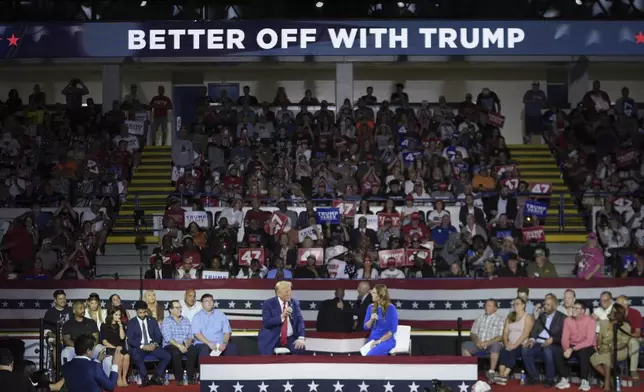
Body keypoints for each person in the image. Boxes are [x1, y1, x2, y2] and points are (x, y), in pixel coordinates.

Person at [521, 294, 566, 387]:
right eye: (545, 304)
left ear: (554, 306)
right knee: (525, 350)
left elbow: (564, 335)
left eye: (548, 305)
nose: (545, 306)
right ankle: (534, 376)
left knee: (547, 351)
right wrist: (532, 339)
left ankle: (550, 379)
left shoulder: (562, 317)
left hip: (552, 343)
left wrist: (553, 339)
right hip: (538, 342)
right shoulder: (542, 316)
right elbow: (535, 330)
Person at [126, 300, 170, 386]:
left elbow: (158, 335)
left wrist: (154, 344)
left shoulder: (152, 320)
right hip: (139, 347)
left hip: (152, 346)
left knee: (167, 356)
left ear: (146, 310)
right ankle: (145, 378)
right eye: (140, 313)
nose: (142, 314)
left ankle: (156, 377)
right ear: (136, 311)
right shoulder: (131, 322)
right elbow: (130, 340)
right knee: (136, 355)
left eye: (144, 312)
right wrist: (143, 346)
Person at [590, 303, 632, 392]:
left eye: (613, 311)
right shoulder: (604, 322)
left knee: (606, 358)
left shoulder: (625, 325)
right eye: (611, 311)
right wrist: (599, 347)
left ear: (618, 313)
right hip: (604, 349)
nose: (611, 313)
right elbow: (600, 337)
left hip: (619, 351)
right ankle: (611, 380)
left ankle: (606, 386)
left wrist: (612, 348)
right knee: (593, 358)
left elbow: (624, 342)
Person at [257, 281, 306, 355]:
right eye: (286, 291)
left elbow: (300, 321)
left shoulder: (294, 303)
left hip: (290, 337)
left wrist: (301, 337)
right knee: (267, 356)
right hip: (272, 337)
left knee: (300, 348)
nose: (289, 293)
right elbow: (266, 323)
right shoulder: (268, 303)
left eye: (290, 290)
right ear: (278, 293)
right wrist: (282, 316)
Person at [557, 300, 596, 391]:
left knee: (583, 352)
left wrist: (572, 349)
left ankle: (584, 380)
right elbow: (564, 338)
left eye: (576, 308)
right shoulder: (567, 320)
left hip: (588, 346)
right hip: (572, 345)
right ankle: (564, 378)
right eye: (573, 308)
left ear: (582, 311)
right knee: (558, 351)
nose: (573, 310)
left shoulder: (590, 320)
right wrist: (567, 350)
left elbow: (589, 341)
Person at [461, 299, 505, 381]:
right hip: (479, 343)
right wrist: (477, 341)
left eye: (489, 305)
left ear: (495, 308)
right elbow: (473, 333)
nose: (486, 307)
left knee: (496, 345)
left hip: (492, 344)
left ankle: (491, 372)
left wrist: (488, 342)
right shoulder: (479, 318)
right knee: (465, 346)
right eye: (486, 305)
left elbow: (501, 336)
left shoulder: (500, 319)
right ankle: (472, 370)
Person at [493, 297, 534, 385]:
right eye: (514, 304)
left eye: (518, 303)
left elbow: (526, 334)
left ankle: (503, 376)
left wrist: (514, 345)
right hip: (509, 344)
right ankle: (501, 376)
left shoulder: (528, 317)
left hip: (521, 344)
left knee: (512, 352)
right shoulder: (510, 316)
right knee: (504, 351)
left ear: (523, 305)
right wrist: (506, 343)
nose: (515, 305)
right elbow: (505, 333)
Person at [162, 300, 200, 385]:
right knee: (176, 352)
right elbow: (168, 338)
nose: (180, 309)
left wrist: (188, 343)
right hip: (171, 344)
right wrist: (179, 346)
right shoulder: (166, 321)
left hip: (185, 344)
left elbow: (190, 335)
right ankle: (179, 379)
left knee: (193, 351)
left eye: (180, 307)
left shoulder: (186, 320)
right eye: (177, 308)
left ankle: (189, 378)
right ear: (170, 310)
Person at [363, 284, 398, 356]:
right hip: (372, 340)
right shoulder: (370, 307)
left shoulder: (391, 308)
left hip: (386, 340)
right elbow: (366, 327)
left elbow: (392, 330)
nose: (371, 294)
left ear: (380, 295)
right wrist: (371, 320)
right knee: (364, 356)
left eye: (374, 293)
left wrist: (379, 341)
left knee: (370, 356)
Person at [100, 308, 130, 387]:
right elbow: (104, 342)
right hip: (111, 348)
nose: (118, 316)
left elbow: (122, 337)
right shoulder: (104, 325)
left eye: (119, 315)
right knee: (119, 356)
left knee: (126, 356)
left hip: (121, 347)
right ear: (111, 315)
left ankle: (124, 378)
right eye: (116, 314)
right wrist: (115, 348)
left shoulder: (122, 324)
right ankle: (118, 378)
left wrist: (120, 326)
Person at [615, 295, 641, 379]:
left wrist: (627, 337)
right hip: (618, 339)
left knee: (633, 342)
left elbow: (637, 333)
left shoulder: (635, 313)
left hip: (633, 338)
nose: (616, 306)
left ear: (626, 305)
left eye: (619, 304)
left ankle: (633, 370)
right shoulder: (614, 314)